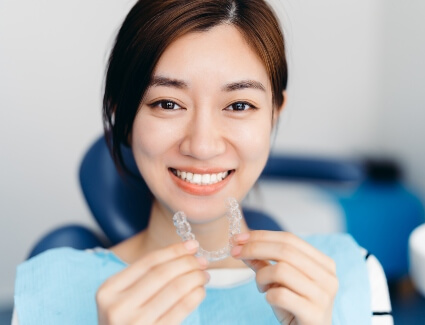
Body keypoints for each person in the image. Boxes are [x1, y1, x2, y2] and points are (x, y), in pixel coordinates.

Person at [13, 0, 393, 324]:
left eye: (239, 105)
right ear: (124, 119)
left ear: (274, 115)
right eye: (167, 103)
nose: (203, 145)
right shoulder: (49, 289)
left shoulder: (352, 273)